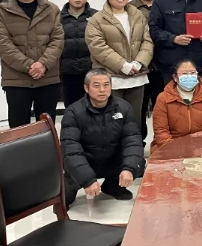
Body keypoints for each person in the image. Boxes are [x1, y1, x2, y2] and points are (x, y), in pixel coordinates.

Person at [0, 0, 64, 128]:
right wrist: (29, 65)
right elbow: (2, 43)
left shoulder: (51, 9)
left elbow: (58, 40)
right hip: (16, 79)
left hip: (47, 77)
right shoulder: (1, 10)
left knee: (46, 127)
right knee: (18, 129)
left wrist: (43, 64)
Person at [60, 69, 144, 207]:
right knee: (63, 199)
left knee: (138, 162)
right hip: (86, 161)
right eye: (96, 86)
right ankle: (71, 190)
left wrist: (129, 168)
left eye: (106, 85)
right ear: (86, 88)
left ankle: (112, 186)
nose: (102, 90)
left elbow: (132, 141)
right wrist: (87, 179)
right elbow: (71, 150)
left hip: (112, 160)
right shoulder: (73, 112)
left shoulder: (124, 108)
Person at [85, 0, 153, 133]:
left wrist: (138, 63)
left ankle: (134, 147)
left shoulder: (138, 15)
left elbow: (147, 41)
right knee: (112, 121)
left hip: (137, 76)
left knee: (135, 120)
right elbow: (97, 47)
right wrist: (122, 65)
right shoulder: (97, 19)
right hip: (111, 78)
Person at [152, 59, 202, 151]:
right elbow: (161, 131)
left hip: (201, 145)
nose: (189, 76)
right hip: (171, 145)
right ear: (175, 77)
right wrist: (175, 150)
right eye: (184, 74)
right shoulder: (163, 98)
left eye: (192, 73)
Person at [130, 0, 165, 147]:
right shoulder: (129, 8)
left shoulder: (164, 4)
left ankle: (162, 144)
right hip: (138, 67)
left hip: (162, 66)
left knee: (162, 109)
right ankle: (137, 147)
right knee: (138, 111)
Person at [60, 0, 97, 108]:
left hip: (92, 70)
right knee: (72, 108)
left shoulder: (96, 16)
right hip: (68, 72)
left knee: (94, 107)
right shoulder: (58, 18)